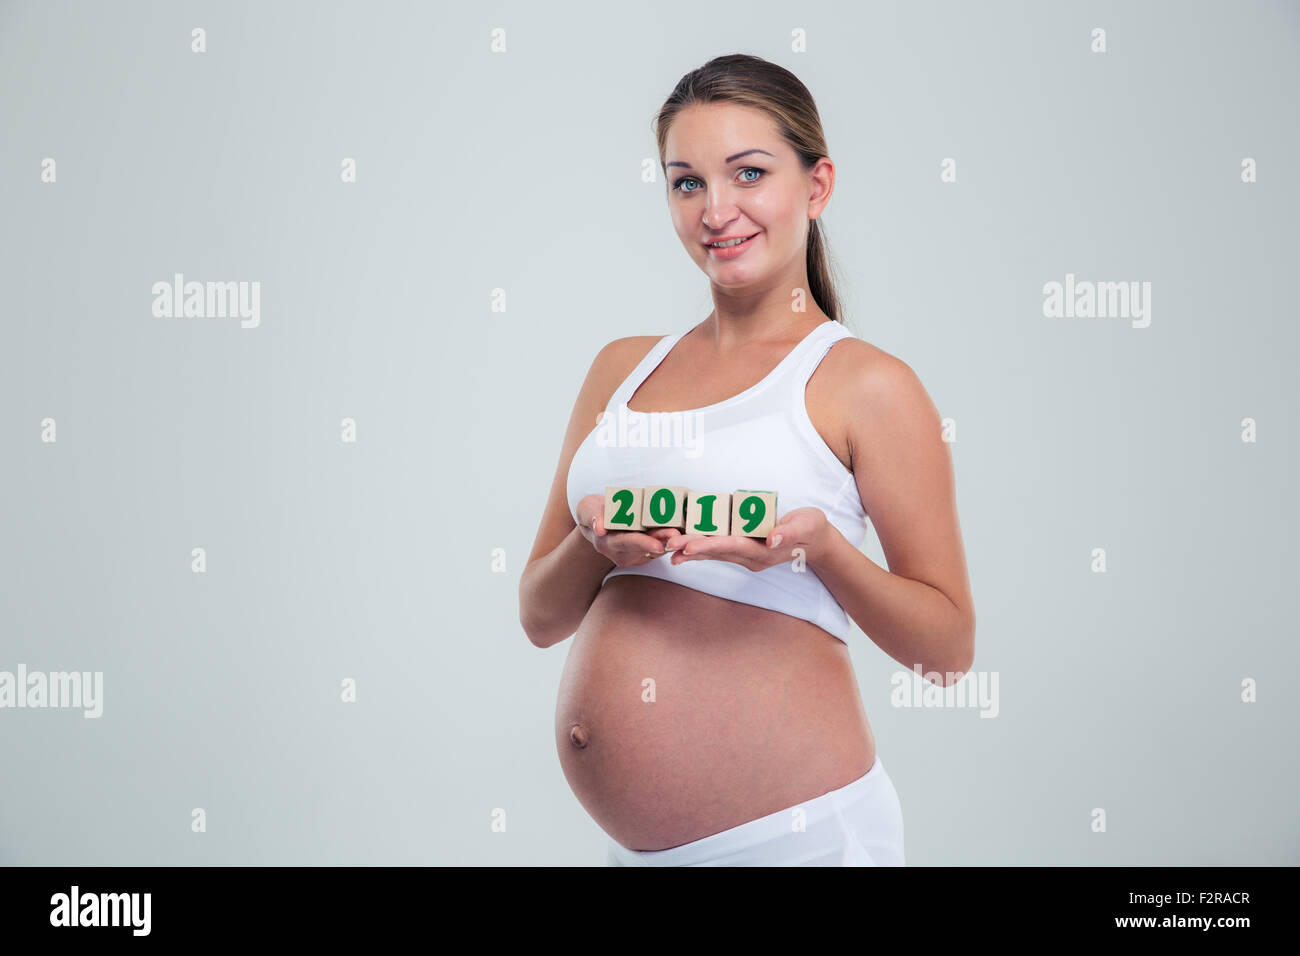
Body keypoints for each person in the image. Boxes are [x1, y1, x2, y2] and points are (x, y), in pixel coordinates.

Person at [519, 53, 975, 866]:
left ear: (817, 186)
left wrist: (820, 549)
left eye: (749, 173)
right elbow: (539, 618)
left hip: (797, 841)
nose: (715, 210)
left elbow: (944, 654)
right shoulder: (619, 370)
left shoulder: (866, 385)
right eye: (686, 181)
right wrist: (595, 547)